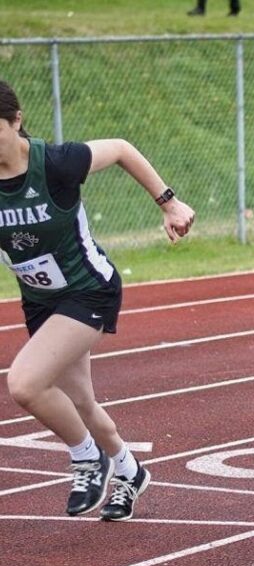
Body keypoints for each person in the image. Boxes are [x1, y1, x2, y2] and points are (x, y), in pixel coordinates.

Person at [0, 80, 195, 521]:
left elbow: (124, 148)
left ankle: (88, 458)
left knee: (25, 384)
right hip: (40, 300)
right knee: (80, 402)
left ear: (16, 121)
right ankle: (129, 471)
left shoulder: (57, 163)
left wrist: (168, 202)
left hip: (88, 289)